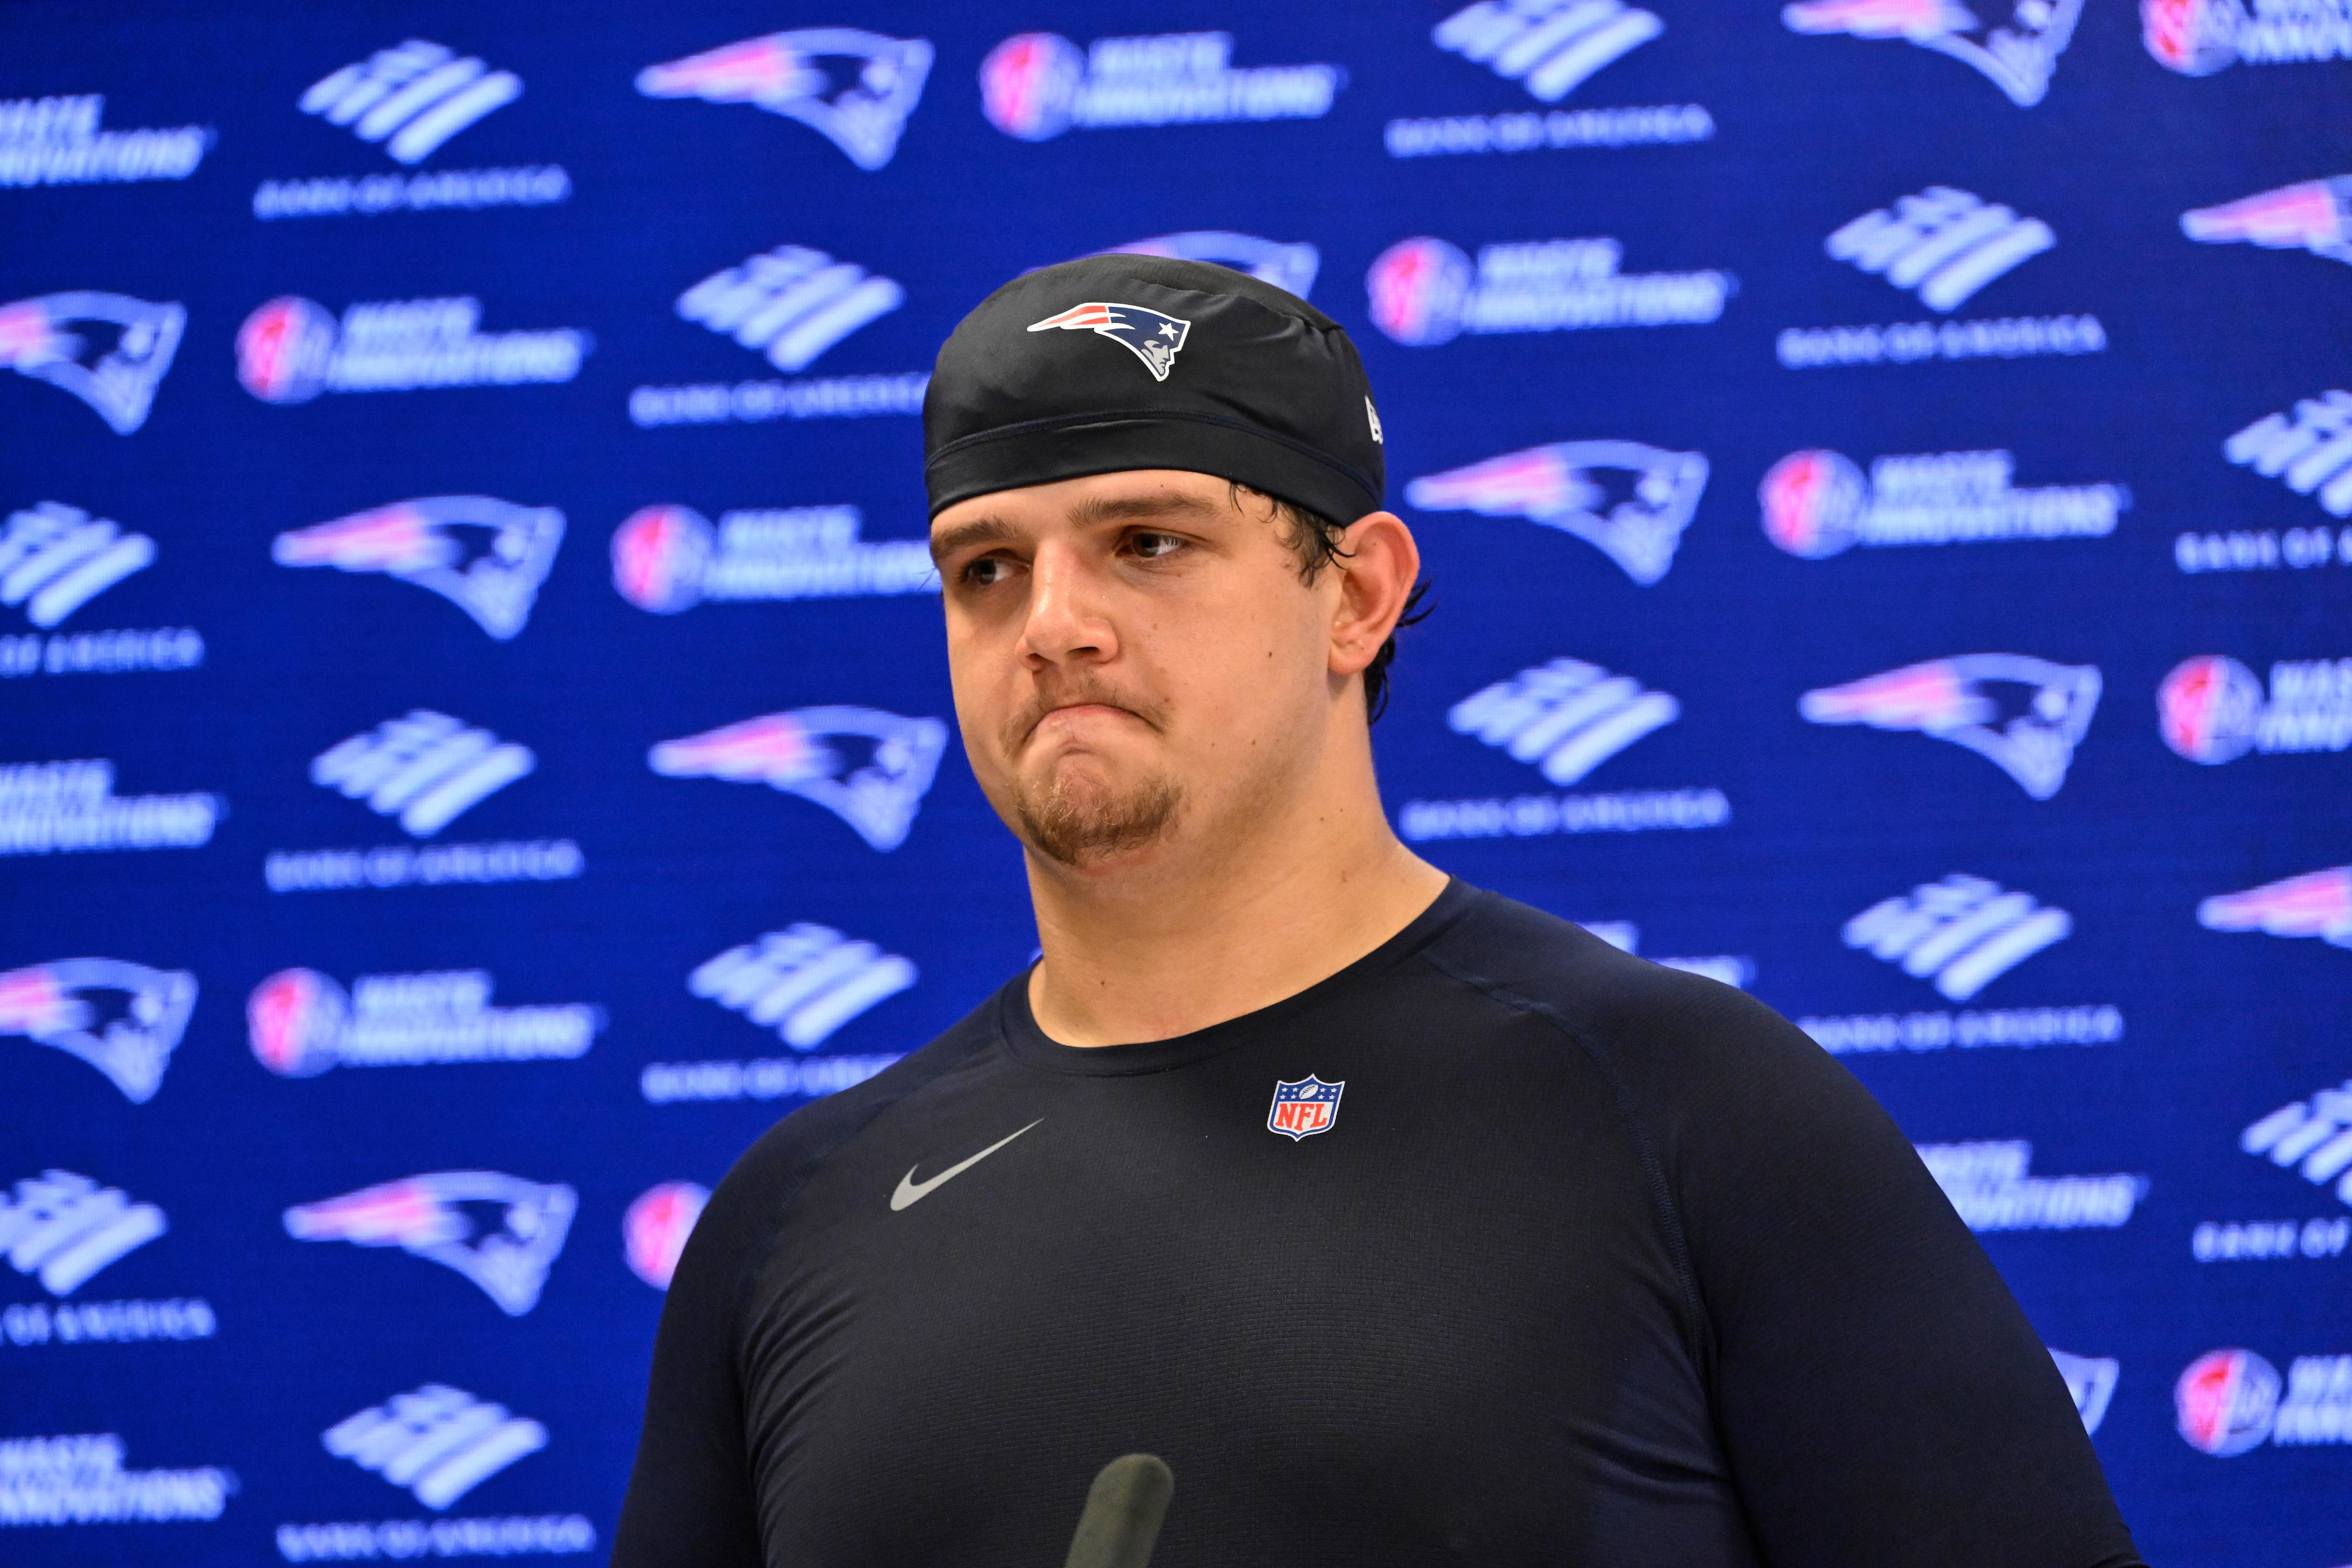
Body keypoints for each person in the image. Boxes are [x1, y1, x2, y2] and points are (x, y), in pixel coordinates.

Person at [612, 256, 2145, 1568]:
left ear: (1356, 594)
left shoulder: (1684, 1108)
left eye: (1149, 543)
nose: (1055, 624)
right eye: (988, 569)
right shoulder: (794, 1215)